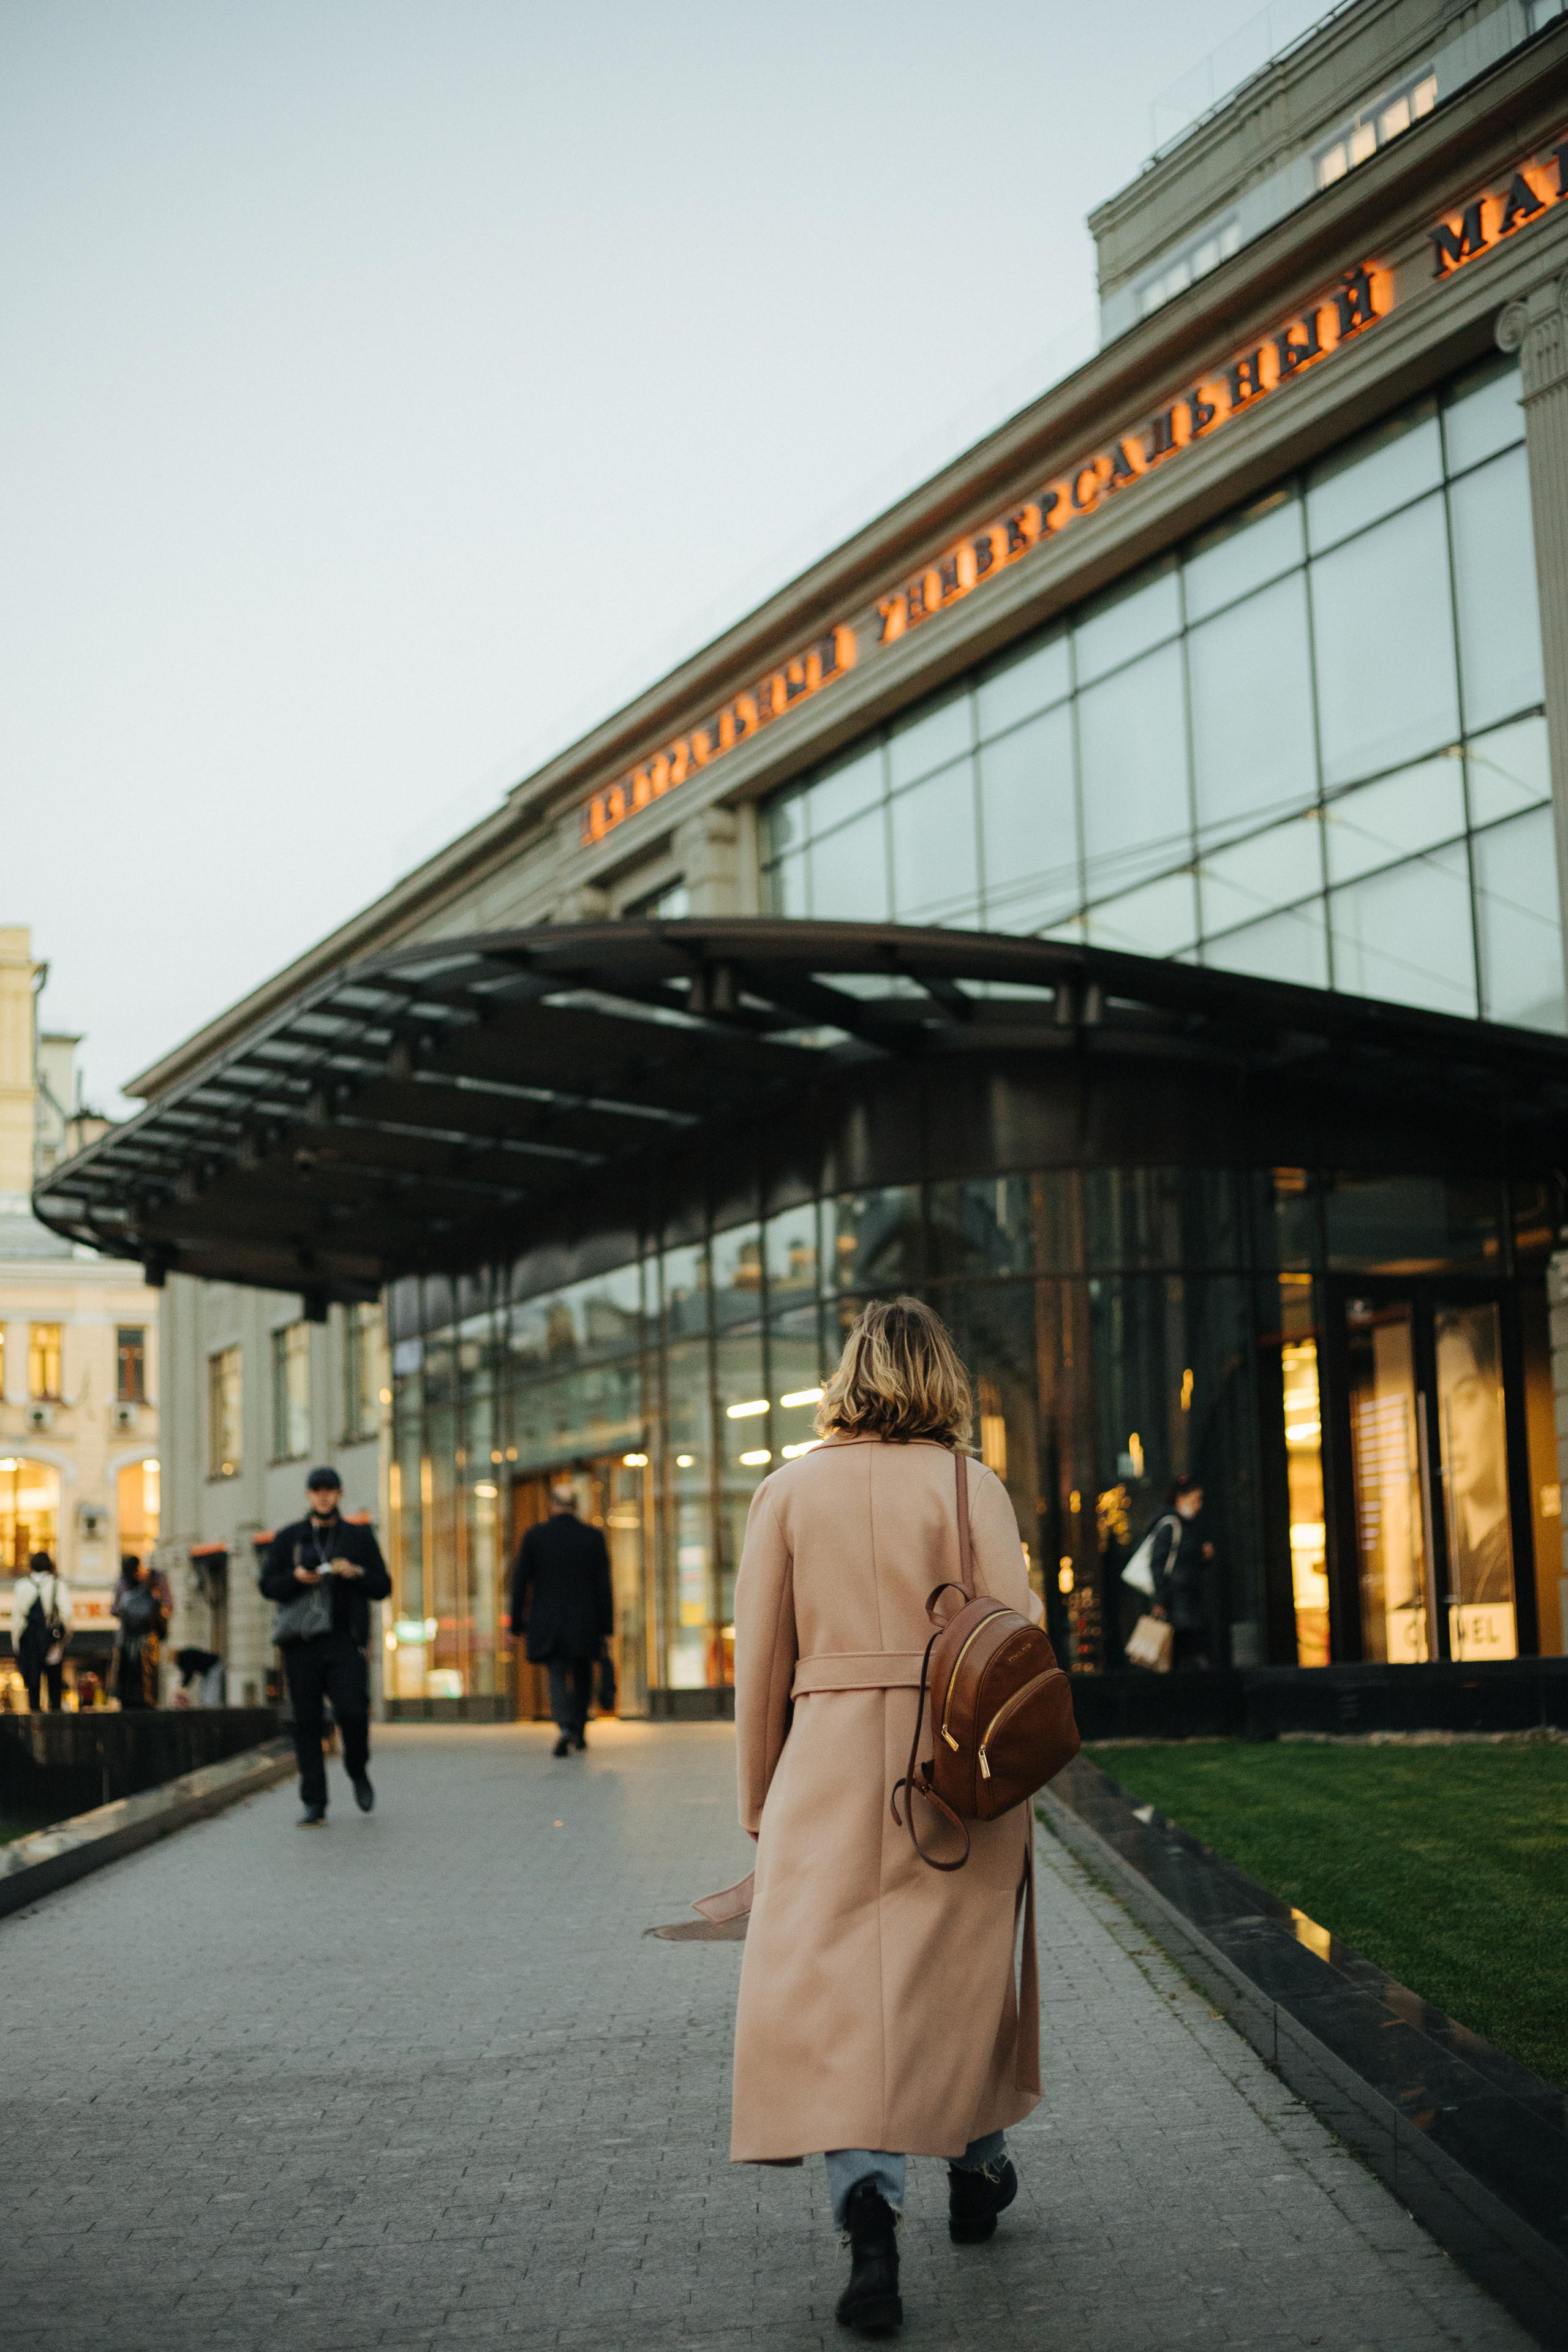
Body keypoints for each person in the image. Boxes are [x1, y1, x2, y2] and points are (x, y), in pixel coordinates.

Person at [729, 1297, 1043, 2337]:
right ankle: (978, 2169)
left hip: (824, 1770)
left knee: (840, 2001)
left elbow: (761, 1665)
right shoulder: (971, 1485)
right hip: (955, 1769)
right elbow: (1017, 1640)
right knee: (954, 1984)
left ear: (849, 1374)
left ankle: (869, 2211)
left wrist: (759, 1801)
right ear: (942, 1379)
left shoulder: (787, 1490)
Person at [259, 1468, 390, 1826]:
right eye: (317, 1490)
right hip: (300, 1644)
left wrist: (356, 1572)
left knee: (353, 1712)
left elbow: (383, 1586)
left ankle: (357, 1770)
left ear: (339, 1494)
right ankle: (314, 1802)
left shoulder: (358, 1536)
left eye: (330, 1490)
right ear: (308, 1495)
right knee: (307, 1723)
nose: (323, 1496)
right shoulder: (289, 1538)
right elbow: (268, 1586)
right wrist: (296, 1578)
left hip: (344, 1639)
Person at [508, 1479, 614, 1757]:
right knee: (583, 1673)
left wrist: (515, 1623)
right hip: (585, 1620)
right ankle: (579, 1729)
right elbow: (604, 1585)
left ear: (552, 1506)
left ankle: (564, 1725)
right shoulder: (592, 1537)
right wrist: (606, 1626)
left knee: (555, 1673)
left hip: (548, 1620)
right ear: (576, 1507)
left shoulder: (535, 1537)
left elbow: (520, 1583)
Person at [1148, 1476, 1214, 1670]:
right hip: (1176, 1605)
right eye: (1195, 1500)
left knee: (1185, 1657)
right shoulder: (1170, 1525)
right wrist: (1160, 1600)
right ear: (1180, 1498)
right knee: (1186, 1656)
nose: (1198, 1506)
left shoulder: (1187, 1526)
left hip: (1186, 1603)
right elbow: (1159, 1565)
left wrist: (1202, 1557)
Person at [12, 1551, 72, 1712]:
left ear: (31, 1566)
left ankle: (35, 1717)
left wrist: (17, 1645)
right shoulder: (57, 1584)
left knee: (33, 1683)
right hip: (51, 1642)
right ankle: (55, 1716)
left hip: (30, 1642)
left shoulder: (21, 1585)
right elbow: (67, 1614)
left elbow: (17, 1620)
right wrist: (64, 1637)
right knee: (54, 1683)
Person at [112, 1555, 171, 1708]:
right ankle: (146, 1702)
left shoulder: (126, 1596)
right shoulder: (152, 1601)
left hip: (129, 1644)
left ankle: (131, 1703)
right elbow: (164, 1616)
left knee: (129, 1681)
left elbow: (116, 1610)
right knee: (147, 1680)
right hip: (147, 1643)